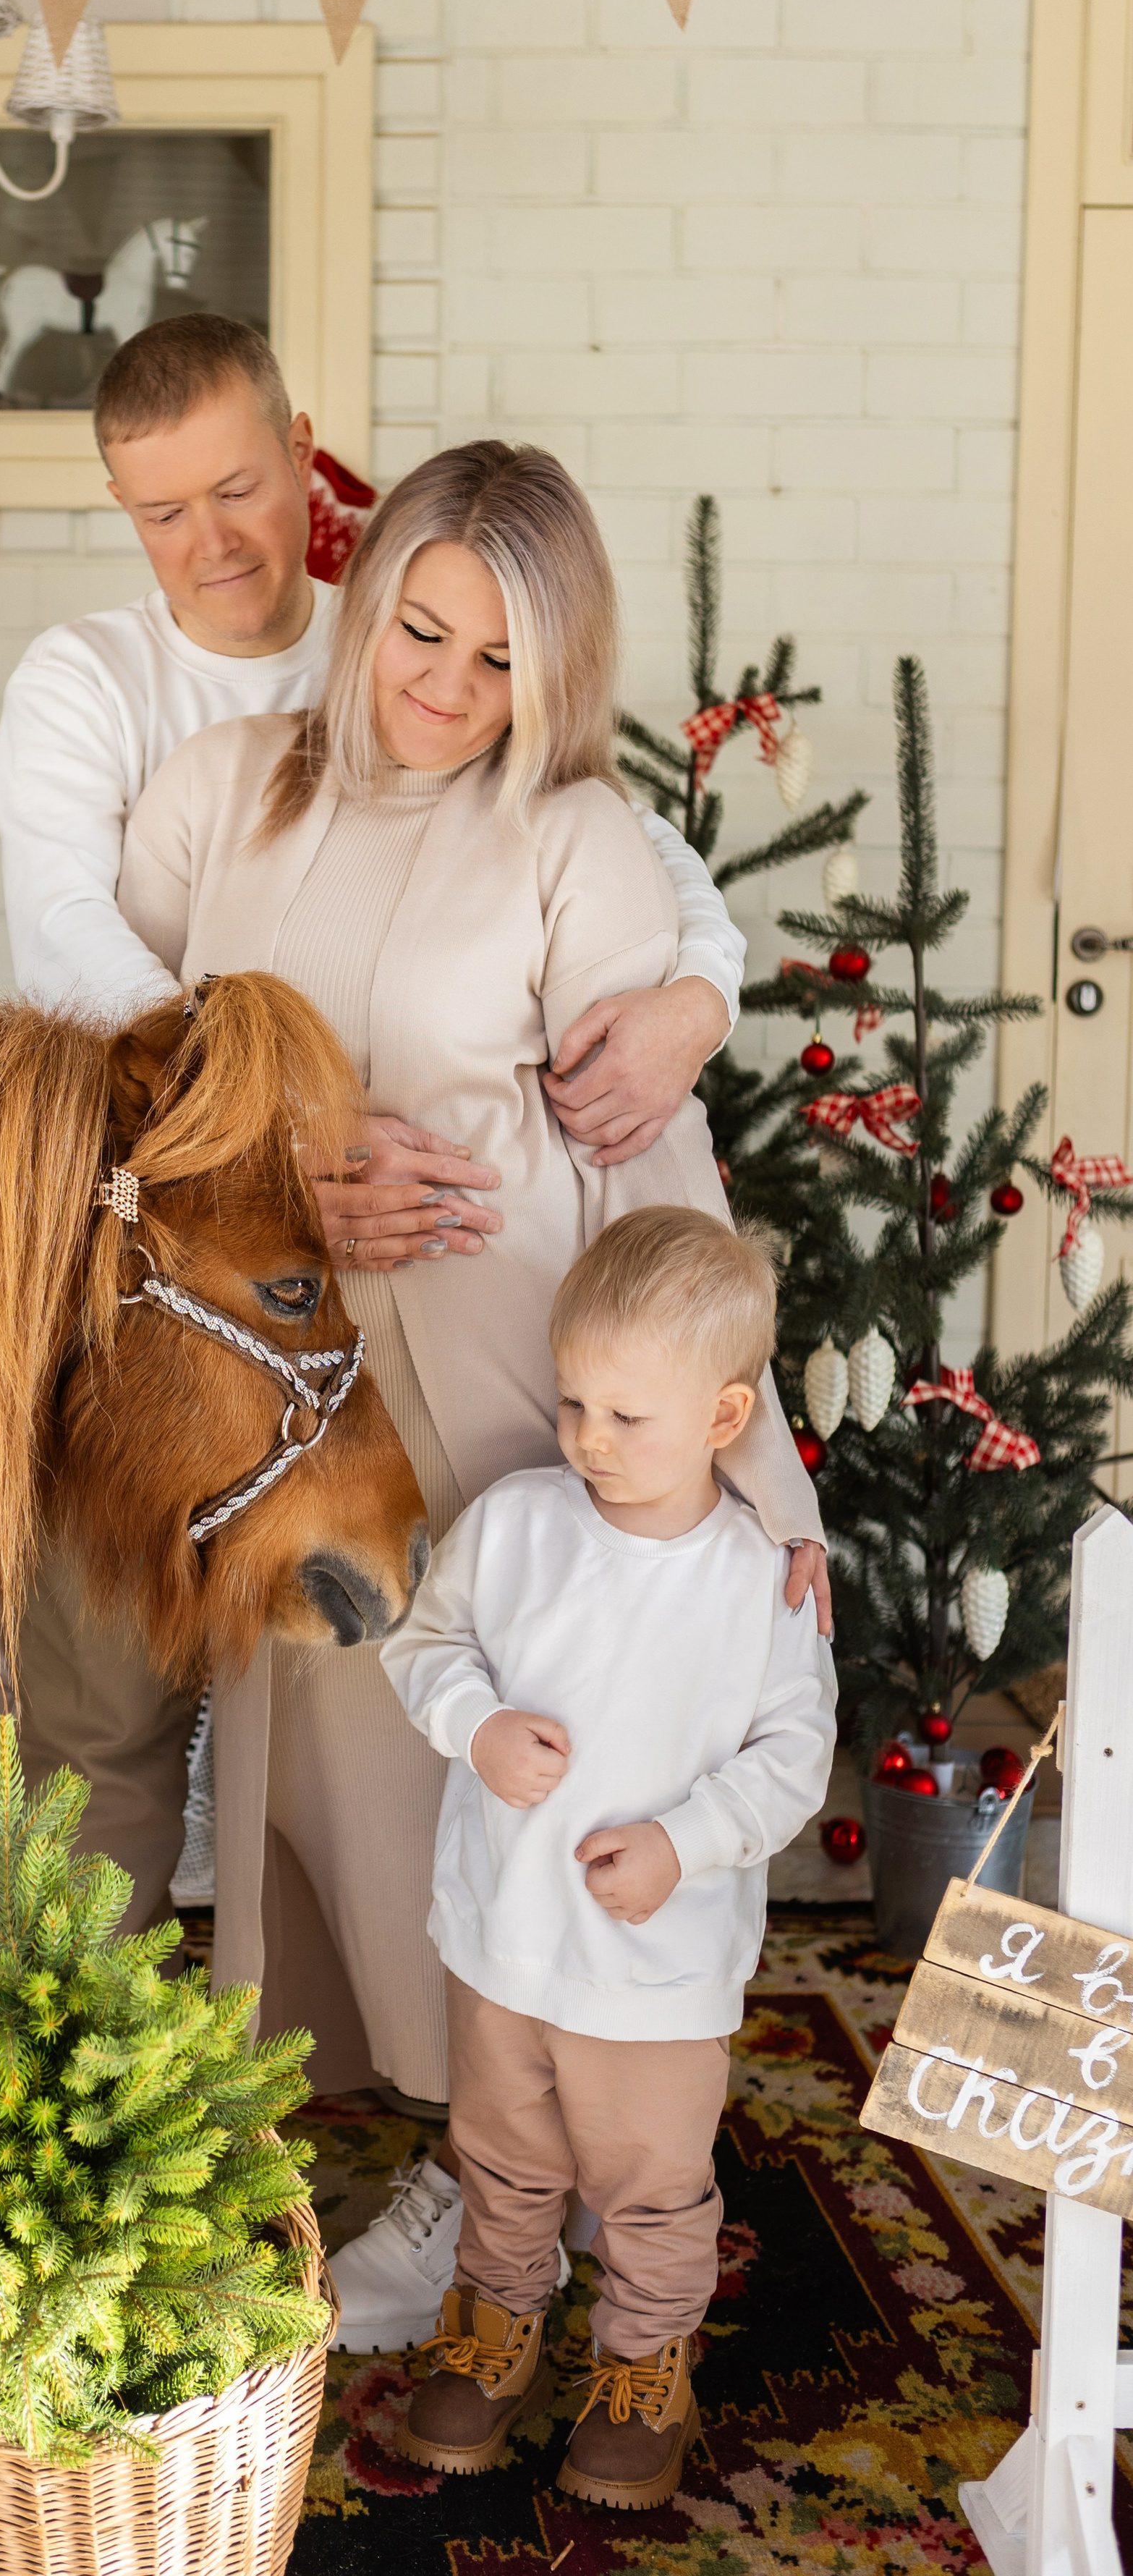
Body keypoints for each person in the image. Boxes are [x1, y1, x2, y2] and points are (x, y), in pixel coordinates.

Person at [114, 436, 828, 2350]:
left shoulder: (574, 843)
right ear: (367, 594)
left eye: (499, 661)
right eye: (421, 627)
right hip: (282, 1389)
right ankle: (453, 2137)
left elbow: (648, 1160)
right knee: (340, 1774)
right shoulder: (217, 806)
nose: (442, 684)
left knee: (506, 1767)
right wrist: (289, 1173)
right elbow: (134, 1095)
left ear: (555, 677)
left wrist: (770, 1487)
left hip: (508, 1393)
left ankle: (493, 2173)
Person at [0, 316, 768, 1941]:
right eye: (160, 511)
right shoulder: (141, 718)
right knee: (132, 1741)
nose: (209, 542)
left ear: (301, 455)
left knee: (449, 1749)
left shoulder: (482, 721)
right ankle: (86, 2124)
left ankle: (480, 2157)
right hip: (204, 1321)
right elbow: (80, 986)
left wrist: (696, 999)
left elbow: (642, 956)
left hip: (438, 1372)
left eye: (238, 487)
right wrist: (283, 1169)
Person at [379, 1208, 836, 2506]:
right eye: (576, 1401)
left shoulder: (761, 1584)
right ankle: (501, 2319)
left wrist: (684, 1843)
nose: (588, 1440)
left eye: (628, 1418)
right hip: (506, 1942)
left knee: (648, 2184)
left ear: (724, 1416)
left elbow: (793, 1757)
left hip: (653, 1970)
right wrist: (477, 1727)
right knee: (504, 2156)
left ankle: (644, 2360)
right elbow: (428, 1648)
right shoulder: (519, 1523)